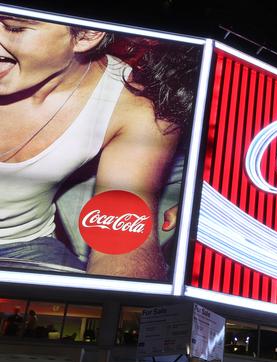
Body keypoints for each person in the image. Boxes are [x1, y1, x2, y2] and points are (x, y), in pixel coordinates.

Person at [0, 13, 199, 279]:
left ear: (86, 35)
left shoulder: (133, 104)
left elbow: (122, 242)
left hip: (20, 244)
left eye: (14, 27)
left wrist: (120, 318)